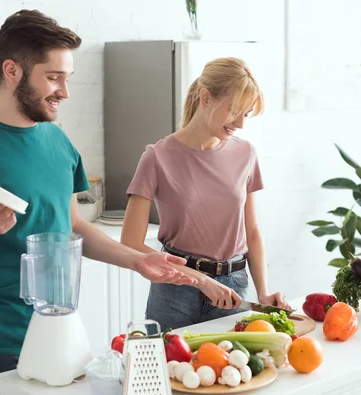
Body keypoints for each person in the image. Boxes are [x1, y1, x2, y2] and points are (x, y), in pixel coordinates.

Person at [0, 10, 194, 395]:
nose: (64, 91)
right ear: (11, 71)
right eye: (53, 77)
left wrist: (137, 260)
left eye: (67, 78)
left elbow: (72, 226)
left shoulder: (57, 141)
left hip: (61, 336)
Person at [120, 57, 291, 332]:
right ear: (206, 98)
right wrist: (199, 279)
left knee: (231, 373)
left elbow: (253, 231)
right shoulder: (157, 157)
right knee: (169, 372)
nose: (240, 123)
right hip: (174, 291)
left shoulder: (245, 153)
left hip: (233, 290)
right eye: (234, 110)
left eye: (246, 114)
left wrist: (263, 293)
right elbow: (130, 242)